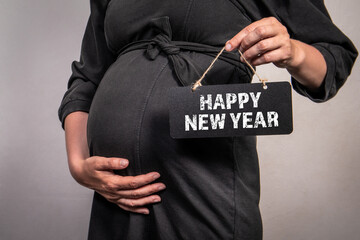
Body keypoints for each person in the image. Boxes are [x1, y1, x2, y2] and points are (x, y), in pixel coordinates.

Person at [58, 0, 357, 239]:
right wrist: (77, 164)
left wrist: (294, 53)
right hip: (118, 196)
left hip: (203, 183)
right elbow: (87, 77)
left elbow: (334, 60)